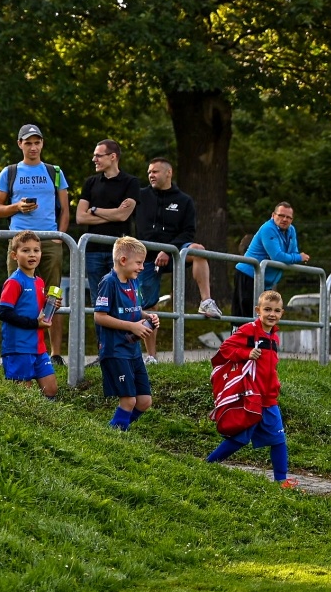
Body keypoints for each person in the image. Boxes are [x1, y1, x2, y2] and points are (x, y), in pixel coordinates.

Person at [0, 124, 71, 363]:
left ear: (42, 143)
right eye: (28, 143)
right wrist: (17, 207)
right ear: (20, 144)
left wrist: (60, 236)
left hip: (49, 239)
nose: (33, 147)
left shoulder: (54, 171)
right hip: (19, 240)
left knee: (53, 295)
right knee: (17, 293)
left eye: (37, 142)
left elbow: (65, 210)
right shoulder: (9, 172)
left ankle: (55, 354)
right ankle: (17, 349)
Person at [205, 290, 299, 488]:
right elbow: (225, 349)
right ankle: (207, 464)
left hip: (269, 398)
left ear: (282, 313)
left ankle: (281, 481)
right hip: (251, 397)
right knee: (239, 439)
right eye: (267, 309)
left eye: (276, 311)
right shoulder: (249, 330)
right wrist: (246, 353)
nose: (272, 314)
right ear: (258, 310)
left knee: (278, 439)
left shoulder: (274, 337)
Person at [133, 156, 223, 319]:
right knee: (148, 308)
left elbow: (188, 232)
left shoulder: (184, 200)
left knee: (198, 250)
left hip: (175, 253)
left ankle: (206, 302)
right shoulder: (139, 196)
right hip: (146, 257)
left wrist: (168, 250)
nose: (151, 175)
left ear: (169, 173)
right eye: (149, 172)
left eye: (155, 171)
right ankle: (149, 337)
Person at [76, 139, 145, 352]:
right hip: (94, 251)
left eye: (98, 155)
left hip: (122, 253)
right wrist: (113, 213)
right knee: (100, 302)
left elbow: (124, 215)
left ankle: (127, 349)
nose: (94, 159)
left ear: (113, 156)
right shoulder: (90, 183)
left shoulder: (131, 182)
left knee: (126, 299)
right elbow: (80, 217)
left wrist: (95, 210)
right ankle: (104, 350)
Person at [92, 236, 157, 430]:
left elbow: (135, 310)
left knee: (144, 401)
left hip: (133, 351)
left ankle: (116, 430)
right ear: (122, 260)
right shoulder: (109, 282)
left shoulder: (133, 281)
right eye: (138, 263)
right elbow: (99, 316)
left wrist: (148, 317)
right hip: (115, 351)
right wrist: (132, 327)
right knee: (128, 401)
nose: (142, 267)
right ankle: (115, 435)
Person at [0, 231, 59, 398]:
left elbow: (35, 309)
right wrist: (34, 324)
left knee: (51, 389)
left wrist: (51, 306)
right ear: (14, 255)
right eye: (25, 250)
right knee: (24, 394)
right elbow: (4, 313)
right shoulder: (14, 282)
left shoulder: (39, 281)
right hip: (18, 347)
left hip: (38, 347)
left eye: (36, 250)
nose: (32, 254)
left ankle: (46, 415)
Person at [233, 203, 307, 320]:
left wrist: (294, 256)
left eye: (288, 217)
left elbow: (293, 252)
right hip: (248, 275)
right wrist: (298, 257)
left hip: (266, 282)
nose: (284, 219)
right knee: (245, 319)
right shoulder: (268, 228)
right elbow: (277, 256)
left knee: (264, 319)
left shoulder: (291, 230)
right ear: (273, 215)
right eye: (281, 215)